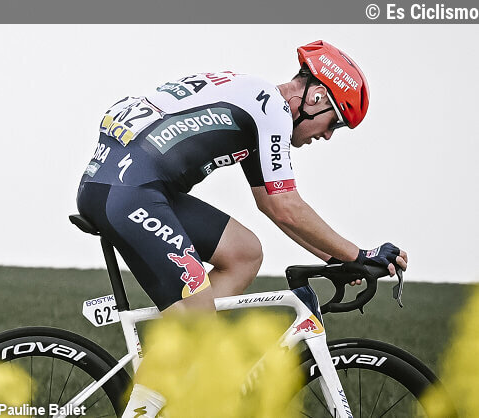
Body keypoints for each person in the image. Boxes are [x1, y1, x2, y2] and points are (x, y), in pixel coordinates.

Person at [76, 40, 408, 417]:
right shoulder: (271, 111)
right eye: (334, 121)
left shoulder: (256, 103)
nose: (329, 135)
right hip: (127, 191)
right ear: (316, 97)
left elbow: (271, 203)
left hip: (131, 186)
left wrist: (339, 259)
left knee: (244, 252)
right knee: (197, 319)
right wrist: (359, 254)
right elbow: (286, 206)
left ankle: (167, 369)